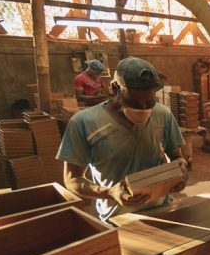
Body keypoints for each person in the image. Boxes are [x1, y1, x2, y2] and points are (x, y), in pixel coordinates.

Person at [57, 57, 187, 222]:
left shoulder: (163, 115)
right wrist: (109, 192)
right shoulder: (84, 122)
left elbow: (177, 157)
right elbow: (72, 179)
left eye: (149, 102)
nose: (143, 108)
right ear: (114, 88)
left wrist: (181, 170)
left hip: (162, 209)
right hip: (118, 218)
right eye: (134, 102)